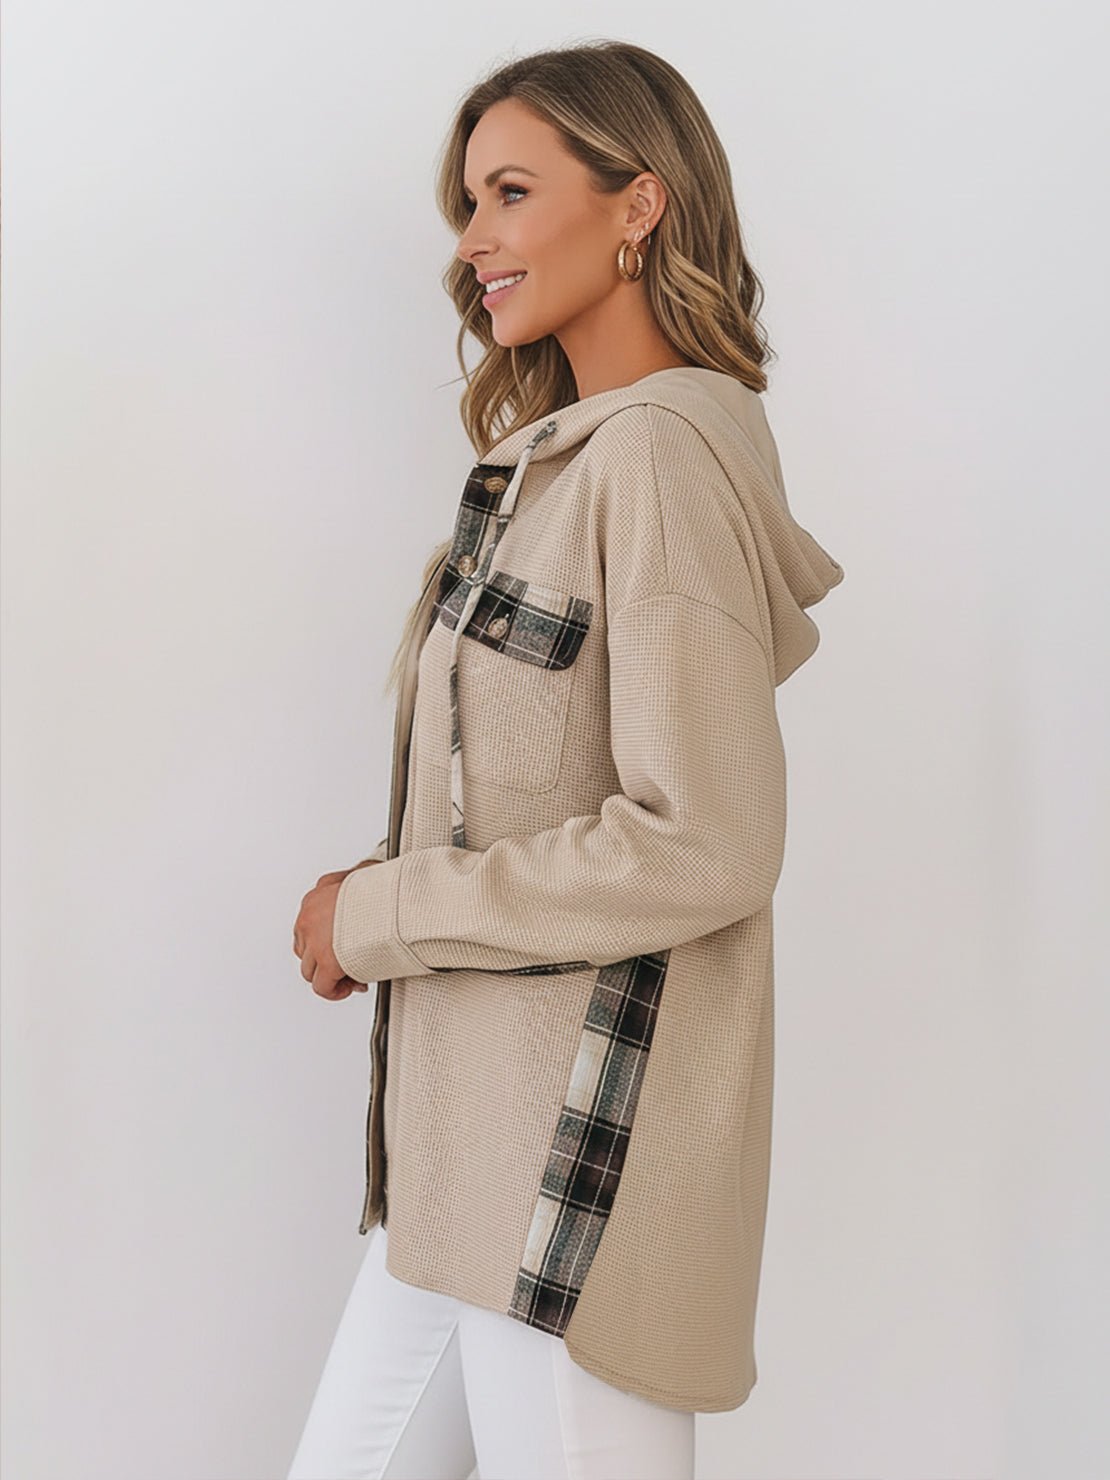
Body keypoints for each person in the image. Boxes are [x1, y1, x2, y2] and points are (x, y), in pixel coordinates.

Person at [289, 38, 844, 1480]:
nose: (472, 241)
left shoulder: (657, 462)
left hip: (571, 1167)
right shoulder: (562, 465)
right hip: (462, 1164)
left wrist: (381, 913)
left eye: (512, 193)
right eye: (468, 204)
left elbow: (703, 842)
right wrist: (386, 881)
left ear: (637, 203)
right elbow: (546, 795)